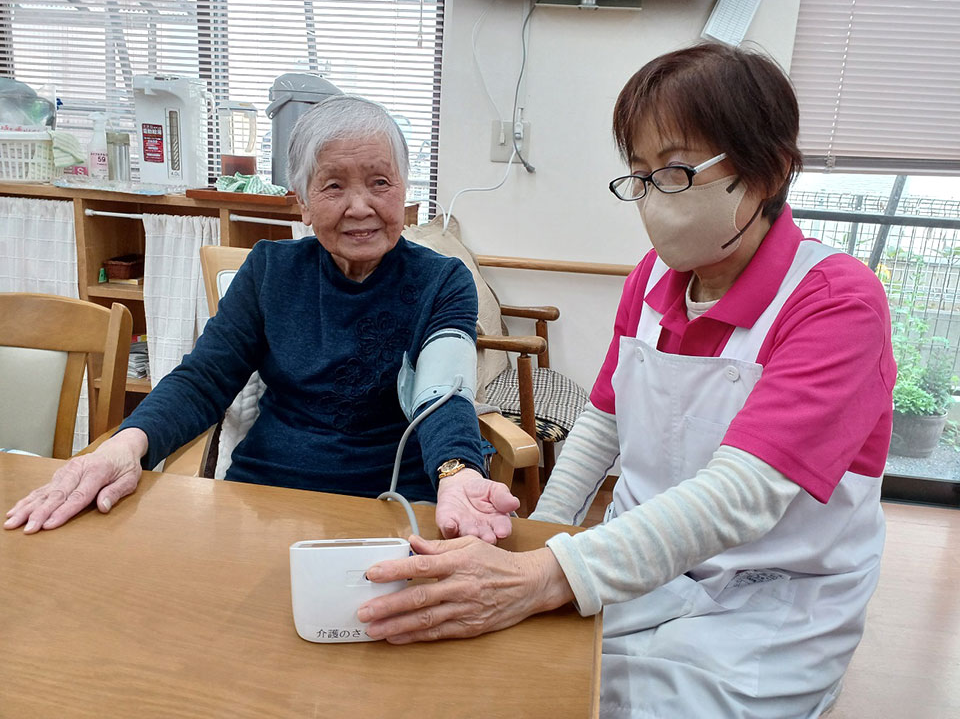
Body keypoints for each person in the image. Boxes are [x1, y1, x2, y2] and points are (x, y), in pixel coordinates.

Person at [354, 44, 896, 719]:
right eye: (639, 175)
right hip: (640, 567)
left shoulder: (836, 300)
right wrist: (546, 533)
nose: (650, 198)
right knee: (504, 680)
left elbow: (744, 495)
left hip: (768, 606)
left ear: (770, 171)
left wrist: (542, 576)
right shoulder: (652, 280)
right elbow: (603, 422)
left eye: (674, 171)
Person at [4, 95, 519, 543]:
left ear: (404, 192)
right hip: (265, 496)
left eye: (380, 182)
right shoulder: (270, 270)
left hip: (392, 501)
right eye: (333, 186)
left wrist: (456, 472)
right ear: (302, 204)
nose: (360, 206)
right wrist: (125, 446)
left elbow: (444, 392)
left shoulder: (442, 279)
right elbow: (205, 378)